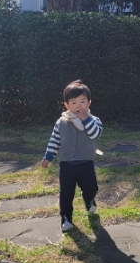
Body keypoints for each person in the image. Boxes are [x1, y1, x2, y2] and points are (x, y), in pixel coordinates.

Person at [41, 79, 103, 232]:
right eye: (74, 103)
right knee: (66, 194)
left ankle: (89, 199)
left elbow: (95, 134)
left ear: (89, 103)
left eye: (82, 102)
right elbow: (54, 140)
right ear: (67, 105)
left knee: (92, 188)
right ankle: (66, 218)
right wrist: (48, 156)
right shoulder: (61, 122)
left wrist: (86, 119)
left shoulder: (93, 120)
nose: (79, 106)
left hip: (86, 163)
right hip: (67, 164)